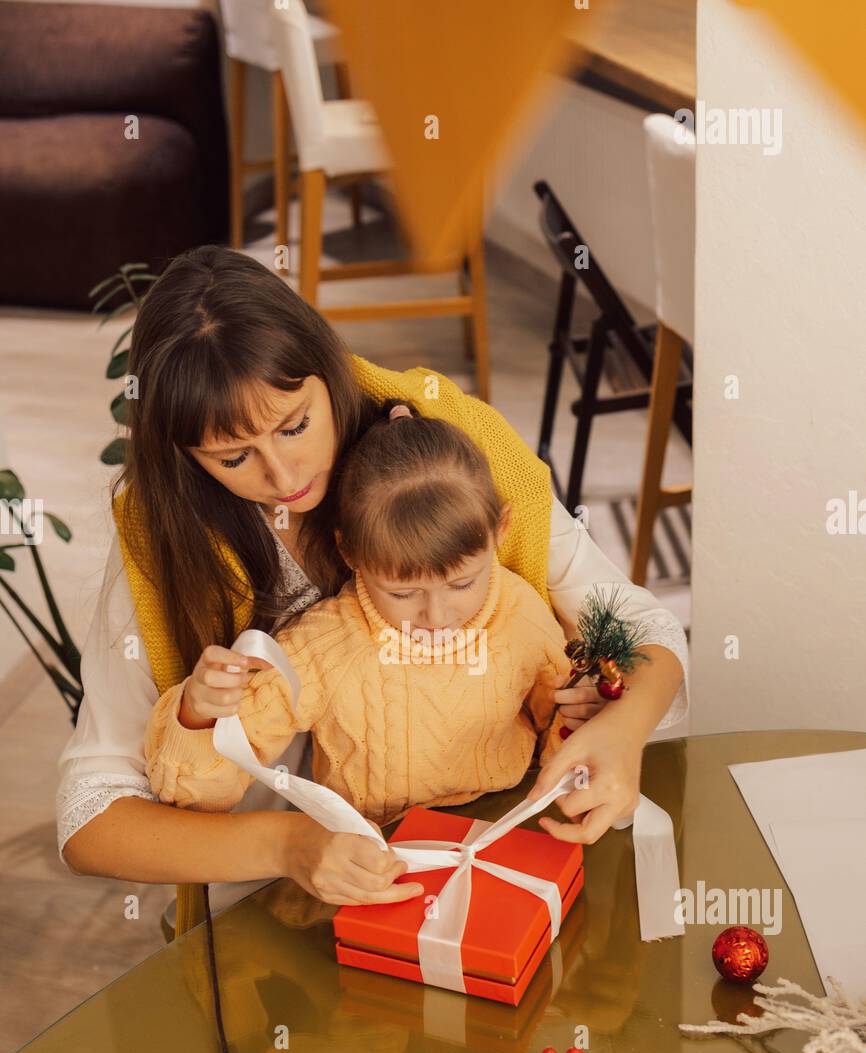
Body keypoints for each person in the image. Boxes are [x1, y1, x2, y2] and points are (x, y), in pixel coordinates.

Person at [57, 245, 688, 925]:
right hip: (280, 902)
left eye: (296, 424)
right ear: (184, 458)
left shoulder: (449, 452)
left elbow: (641, 627)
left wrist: (623, 727)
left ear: (328, 374)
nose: (283, 473)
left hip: (500, 841)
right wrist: (288, 845)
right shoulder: (165, 536)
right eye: (234, 457)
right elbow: (90, 817)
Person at [144, 404, 573, 835]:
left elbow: (561, 735)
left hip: (513, 824)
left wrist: (566, 721)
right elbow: (199, 796)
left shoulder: (521, 615)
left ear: (499, 531)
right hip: (377, 854)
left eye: (462, 584)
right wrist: (197, 716)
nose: (437, 616)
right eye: (403, 593)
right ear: (349, 553)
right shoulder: (319, 648)